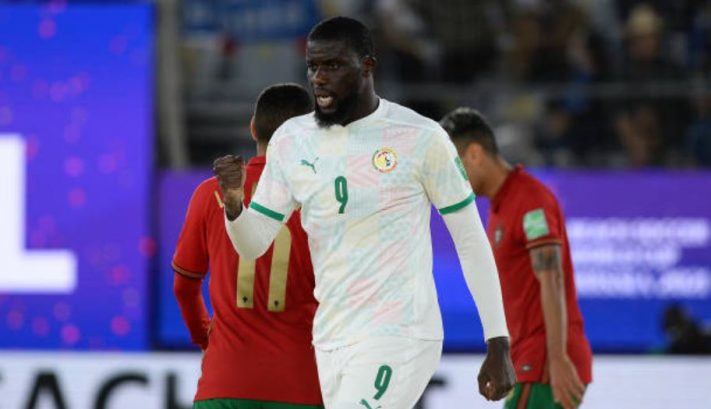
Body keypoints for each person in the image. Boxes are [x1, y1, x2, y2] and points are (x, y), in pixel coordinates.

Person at [214, 16, 515, 409]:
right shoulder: (292, 140)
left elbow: (471, 241)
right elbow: (253, 244)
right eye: (313, 66)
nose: (319, 78)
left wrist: (498, 342)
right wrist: (236, 204)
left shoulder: (420, 138)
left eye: (333, 66)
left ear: (368, 67)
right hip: (330, 339)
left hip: (401, 333)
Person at [172, 83, 323, 409]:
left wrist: (205, 338)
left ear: (253, 127)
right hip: (302, 386)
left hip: (223, 384)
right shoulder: (323, 200)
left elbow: (184, 286)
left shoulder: (207, 194)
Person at [440, 107, 593, 409]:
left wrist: (558, 359)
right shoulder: (502, 206)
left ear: (474, 153)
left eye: (452, 166)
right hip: (530, 360)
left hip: (544, 362)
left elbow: (552, 277)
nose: (449, 180)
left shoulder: (529, 199)